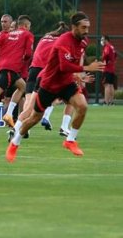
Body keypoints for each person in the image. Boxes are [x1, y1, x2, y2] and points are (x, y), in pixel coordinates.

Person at [6, 12, 105, 163]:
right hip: (49, 85)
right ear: (74, 27)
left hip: (66, 83)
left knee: (83, 106)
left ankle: (70, 140)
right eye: (83, 27)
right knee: (34, 117)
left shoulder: (83, 42)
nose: (86, 30)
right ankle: (15, 142)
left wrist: (78, 76)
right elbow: (64, 66)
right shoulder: (63, 41)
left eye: (88, 27)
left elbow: (72, 64)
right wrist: (87, 68)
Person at [7, 21, 70, 141]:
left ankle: (15, 129)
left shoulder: (44, 38)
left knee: (29, 106)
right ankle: (64, 127)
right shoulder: (61, 42)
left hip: (33, 71)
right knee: (69, 99)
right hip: (46, 73)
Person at [101, 35, 117, 105]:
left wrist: (104, 62)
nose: (101, 41)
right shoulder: (112, 46)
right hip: (112, 68)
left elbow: (106, 55)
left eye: (102, 39)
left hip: (107, 69)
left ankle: (106, 101)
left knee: (106, 85)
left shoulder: (107, 47)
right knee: (111, 85)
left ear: (106, 40)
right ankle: (111, 102)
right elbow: (115, 55)